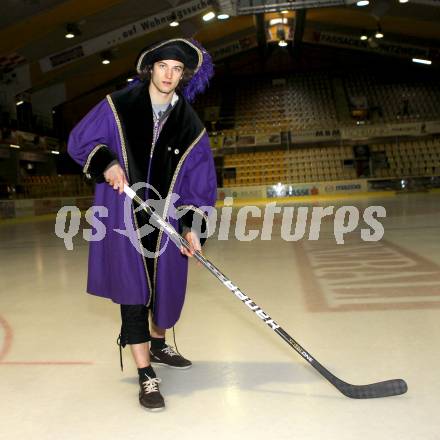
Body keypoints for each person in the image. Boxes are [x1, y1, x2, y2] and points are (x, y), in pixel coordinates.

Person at [68, 38, 217, 411]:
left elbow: (200, 184)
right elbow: (79, 141)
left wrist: (192, 227)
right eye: (163, 66)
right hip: (122, 218)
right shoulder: (118, 106)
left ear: (183, 76)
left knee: (165, 291)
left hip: (165, 221)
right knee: (133, 293)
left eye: (177, 69)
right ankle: (145, 374)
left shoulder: (190, 125)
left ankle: (157, 342)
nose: (169, 74)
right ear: (150, 69)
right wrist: (107, 162)